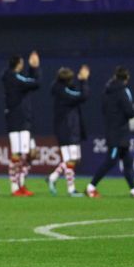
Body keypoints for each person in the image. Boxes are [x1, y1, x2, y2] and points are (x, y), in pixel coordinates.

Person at [86, 67, 134, 198]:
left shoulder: (106, 91)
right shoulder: (123, 91)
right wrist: (130, 109)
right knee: (111, 160)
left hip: (114, 130)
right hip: (118, 133)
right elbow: (130, 112)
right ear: (126, 78)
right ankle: (91, 187)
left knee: (128, 160)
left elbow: (104, 109)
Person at [47, 65, 90, 197]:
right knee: (71, 160)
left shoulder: (62, 89)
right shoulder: (63, 92)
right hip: (67, 129)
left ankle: (54, 178)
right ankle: (70, 189)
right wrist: (83, 80)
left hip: (70, 128)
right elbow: (83, 96)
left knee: (74, 159)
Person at [2, 51, 40, 197]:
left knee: (27, 154)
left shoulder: (9, 76)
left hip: (20, 119)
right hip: (18, 120)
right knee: (18, 154)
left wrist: (32, 70)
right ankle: (14, 186)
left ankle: (21, 184)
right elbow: (35, 83)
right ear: (19, 64)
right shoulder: (14, 77)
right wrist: (35, 67)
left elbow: (28, 81)